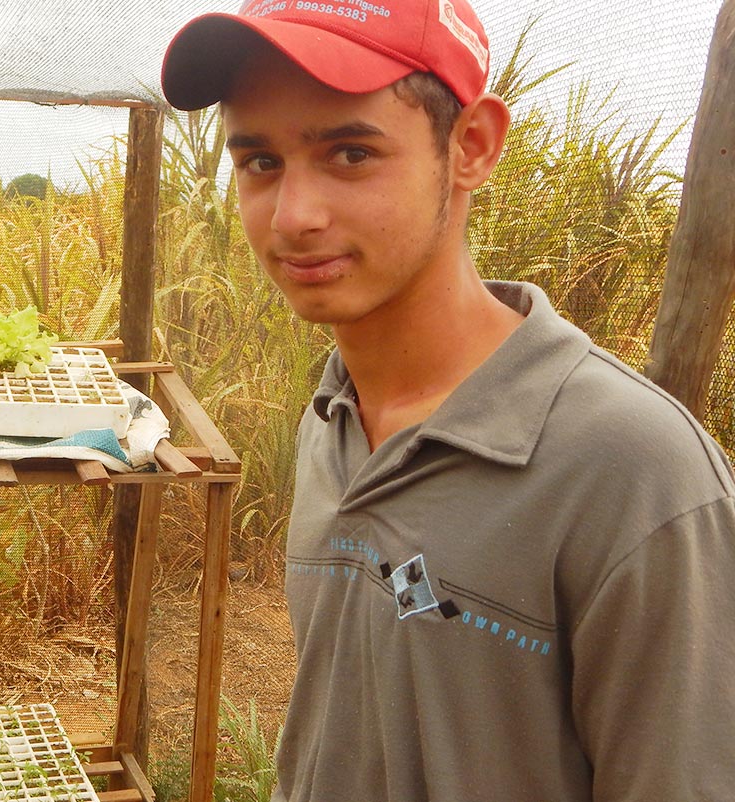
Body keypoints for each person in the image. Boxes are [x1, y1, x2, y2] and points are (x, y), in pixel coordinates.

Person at [160, 2, 735, 801]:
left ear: (471, 147)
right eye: (259, 162)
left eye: (351, 153)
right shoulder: (333, 421)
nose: (293, 217)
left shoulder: (634, 473)